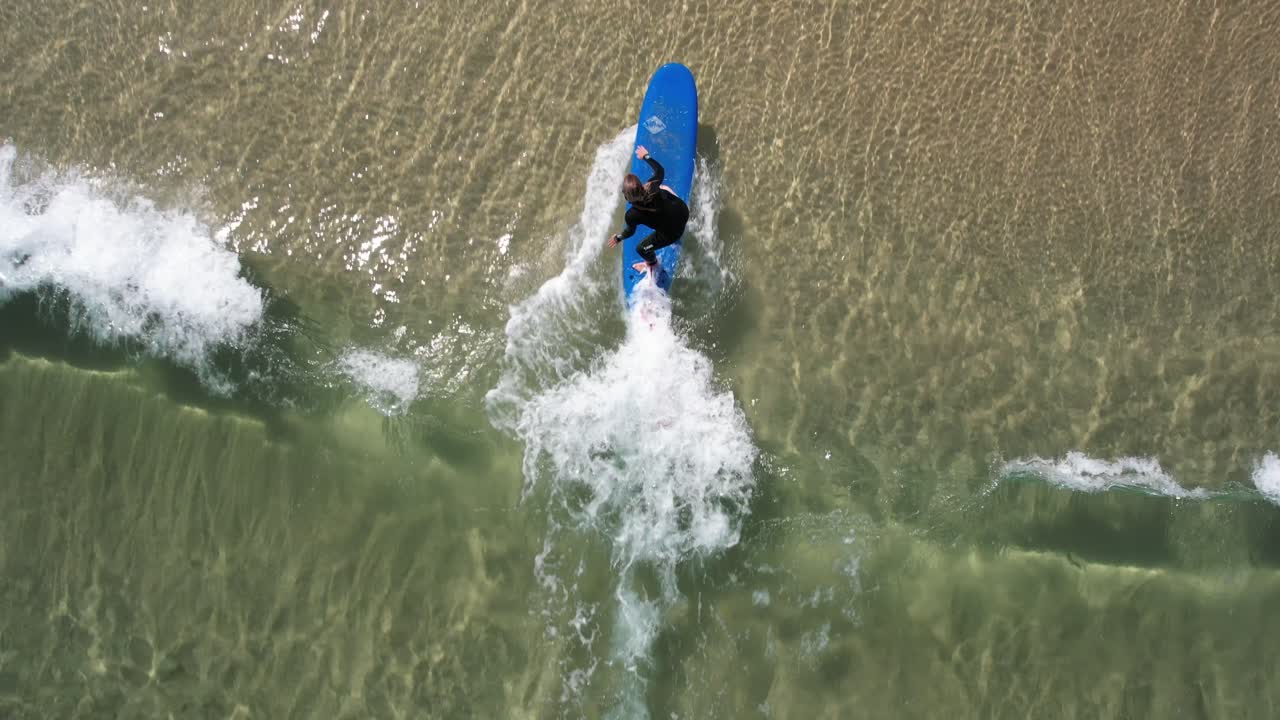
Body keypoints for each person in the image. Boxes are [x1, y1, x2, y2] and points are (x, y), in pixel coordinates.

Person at [606, 145, 690, 275]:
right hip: (683, 212)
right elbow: (660, 170)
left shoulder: (632, 215)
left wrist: (618, 238)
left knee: (641, 248)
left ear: (627, 197)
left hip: (674, 233)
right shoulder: (652, 185)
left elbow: (629, 232)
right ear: (640, 185)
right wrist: (646, 156)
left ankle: (652, 265)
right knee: (663, 188)